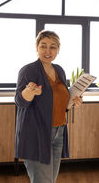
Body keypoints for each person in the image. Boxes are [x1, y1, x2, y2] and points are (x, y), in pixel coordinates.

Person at [15, 30, 82, 183]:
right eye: (43, 46)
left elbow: (60, 100)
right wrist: (29, 92)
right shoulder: (28, 70)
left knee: (50, 180)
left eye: (52, 47)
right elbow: (20, 101)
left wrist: (73, 101)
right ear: (36, 47)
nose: (48, 51)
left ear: (58, 50)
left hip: (59, 132)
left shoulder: (59, 70)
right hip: (36, 134)